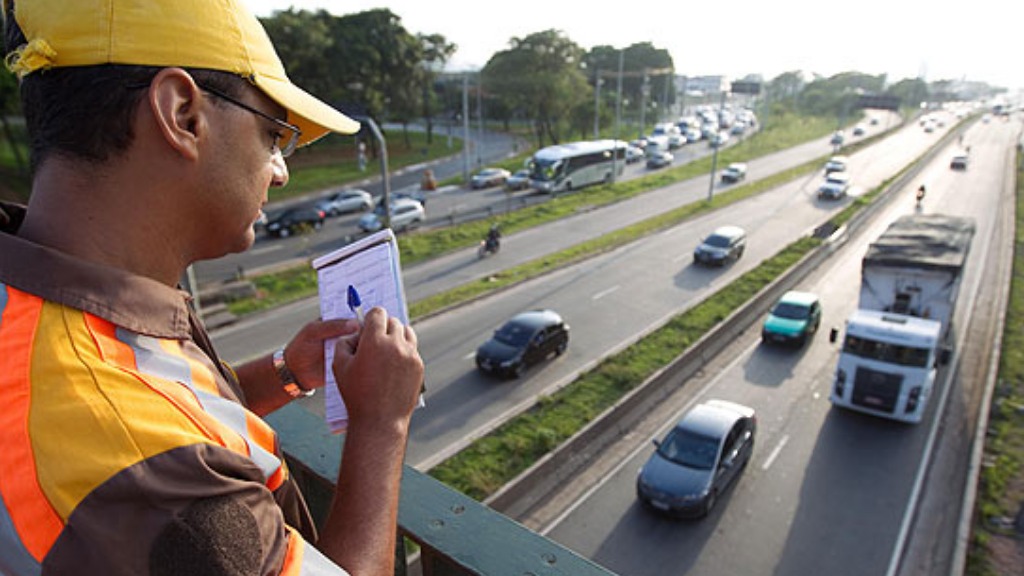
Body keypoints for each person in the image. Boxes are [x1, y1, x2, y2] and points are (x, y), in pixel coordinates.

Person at [0, 1, 423, 575]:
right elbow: (150, 430)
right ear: (184, 115)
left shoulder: (53, 301)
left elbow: (171, 408)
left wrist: (287, 373)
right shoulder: (155, 477)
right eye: (273, 135)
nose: (281, 171)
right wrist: (381, 424)